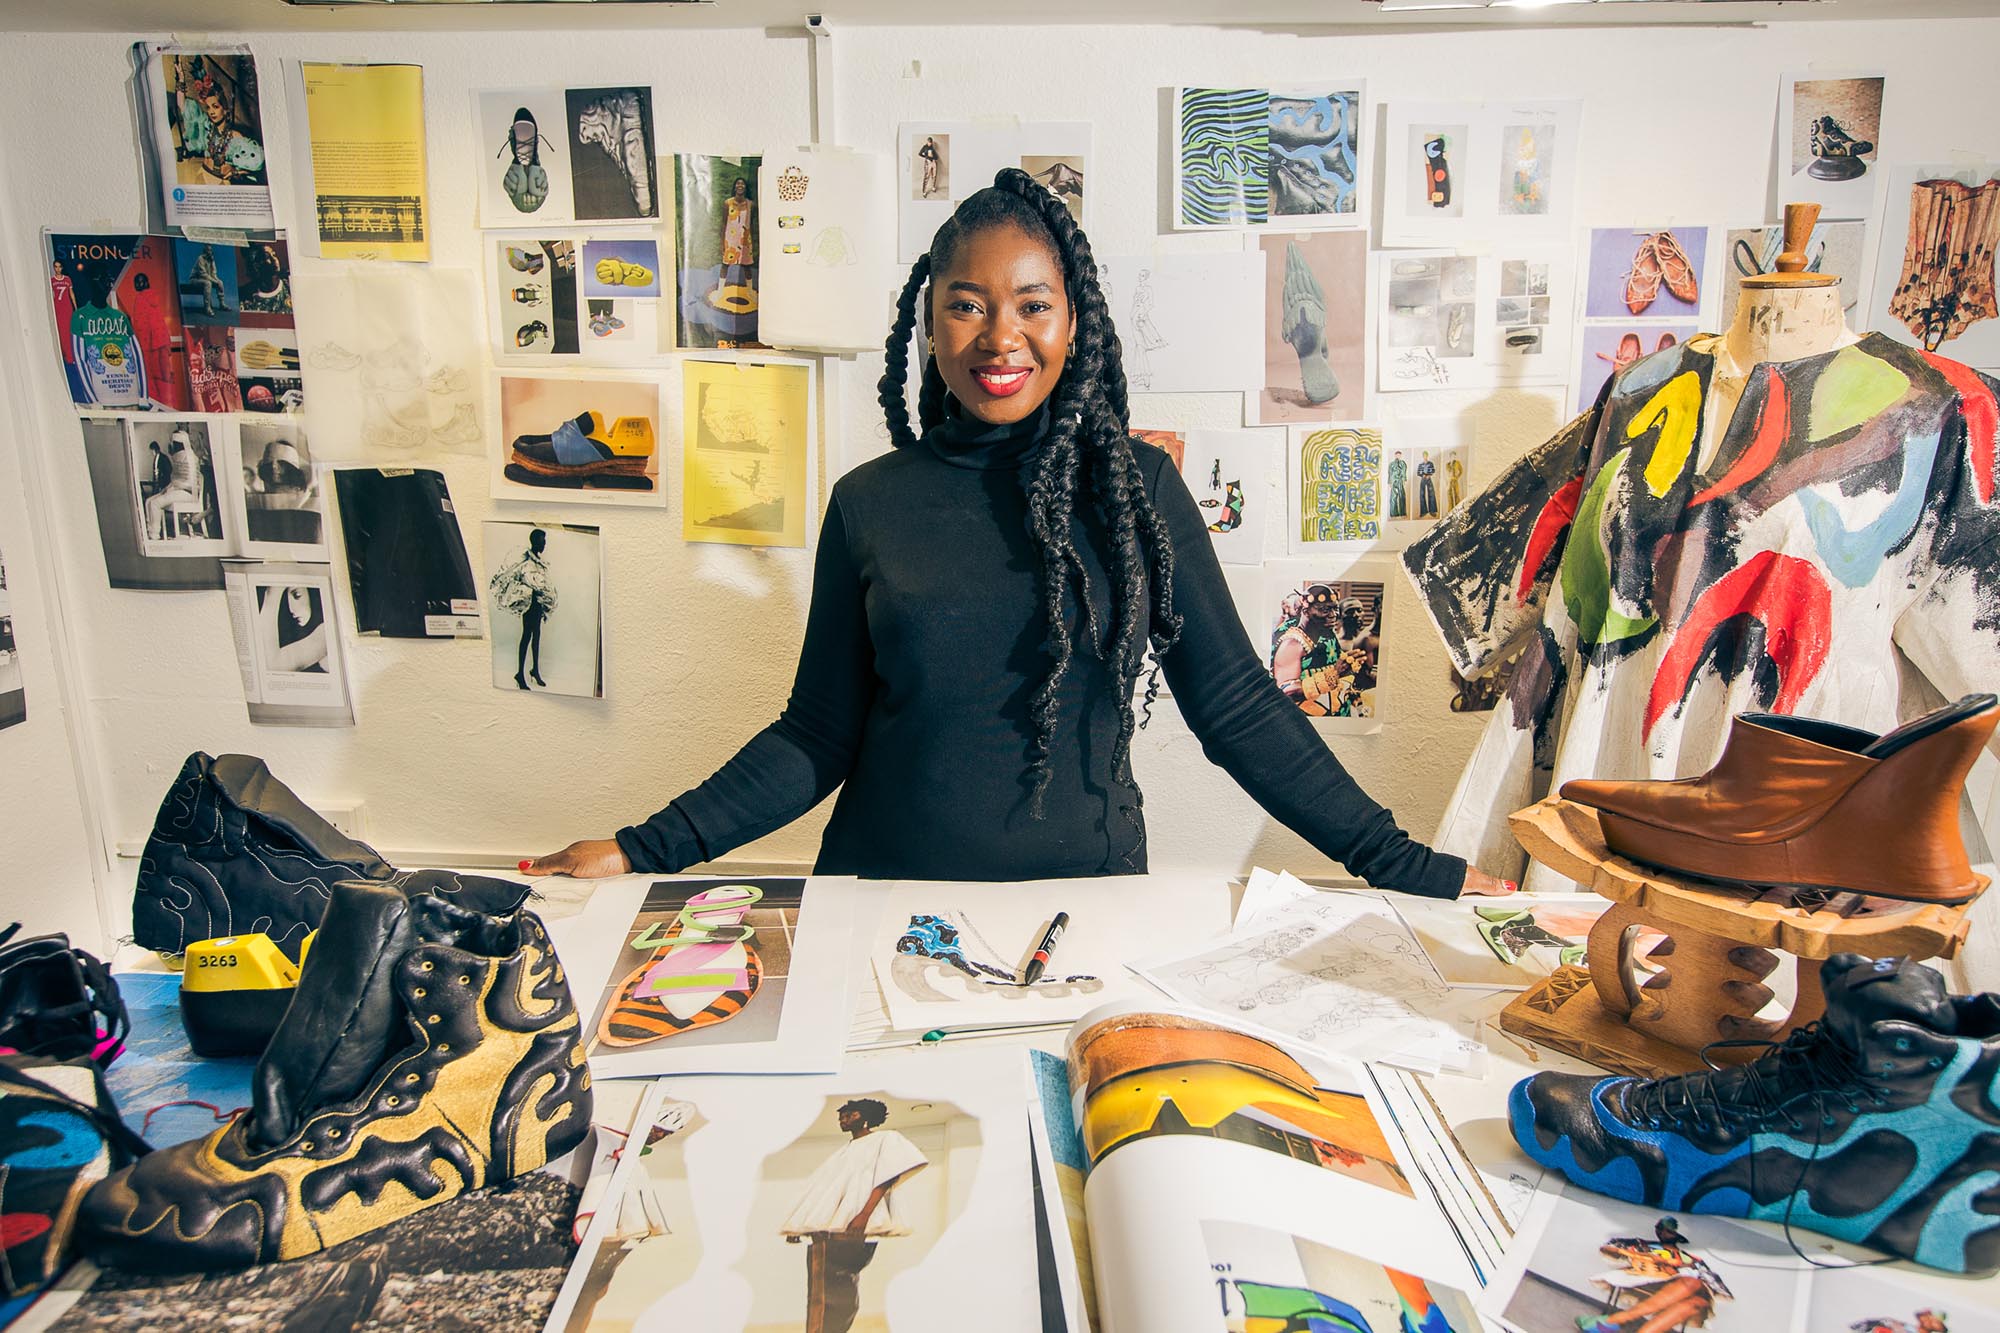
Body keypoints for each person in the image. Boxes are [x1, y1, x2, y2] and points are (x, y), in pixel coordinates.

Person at [524, 169, 1511, 899]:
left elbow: (1242, 710)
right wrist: (642, 847)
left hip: (1085, 907)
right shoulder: (869, 501)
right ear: (931, 325)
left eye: (1031, 305)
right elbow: (816, 734)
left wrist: (1408, 867)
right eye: (968, 306)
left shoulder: (1139, 491)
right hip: (874, 904)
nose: (1000, 337)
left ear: (1074, 323)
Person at [780, 1099, 928, 1333]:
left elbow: (886, 1177)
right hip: (834, 1231)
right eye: (842, 1115)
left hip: (855, 1226)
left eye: (851, 1114)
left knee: (834, 1290)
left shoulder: (883, 1139)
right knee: (822, 1291)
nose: (844, 1118)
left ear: (866, 1116)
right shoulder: (846, 1151)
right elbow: (827, 1193)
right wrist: (801, 1228)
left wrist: (864, 1215)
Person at [490, 528, 557, 691]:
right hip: (529, 604)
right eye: (543, 541)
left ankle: (535, 670)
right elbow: (519, 577)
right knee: (527, 635)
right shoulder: (526, 561)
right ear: (535, 542)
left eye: (545, 541)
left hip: (538, 603)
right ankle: (520, 673)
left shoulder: (539, 563)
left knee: (537, 636)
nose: (544, 544)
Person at [144, 429, 202, 541]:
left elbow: (192, 485)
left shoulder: (190, 458)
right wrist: (167, 489)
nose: (171, 446)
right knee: (149, 501)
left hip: (188, 494)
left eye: (173, 444)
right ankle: (149, 530)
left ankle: (153, 536)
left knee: (155, 503)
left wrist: (174, 486)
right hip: (179, 491)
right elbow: (176, 479)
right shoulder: (180, 458)